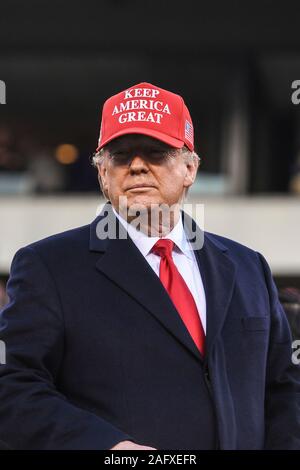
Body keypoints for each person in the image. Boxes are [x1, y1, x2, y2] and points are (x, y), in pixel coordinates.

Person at [0, 82, 299, 450]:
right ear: (102, 174)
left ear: (190, 168)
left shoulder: (248, 267)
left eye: (156, 153)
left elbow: (284, 387)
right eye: (121, 155)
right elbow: (12, 384)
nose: (137, 166)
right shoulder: (49, 267)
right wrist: (110, 448)